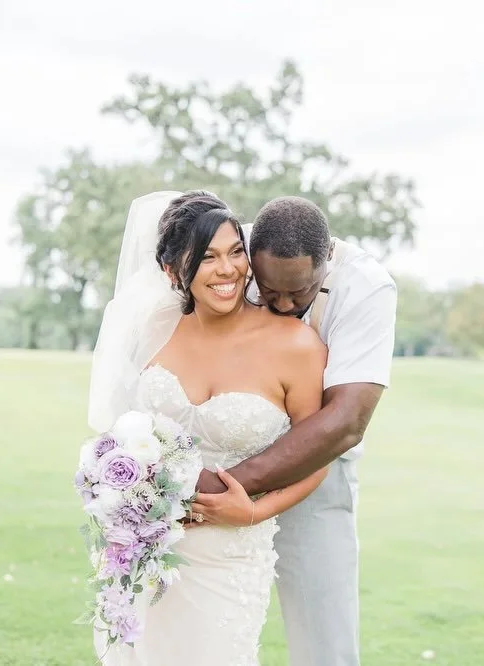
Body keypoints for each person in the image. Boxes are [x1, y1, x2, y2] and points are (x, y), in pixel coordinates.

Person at [86, 190, 329, 665]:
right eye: (207, 258)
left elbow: (317, 455)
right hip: (145, 546)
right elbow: (120, 434)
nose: (228, 271)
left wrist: (255, 512)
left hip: (232, 553)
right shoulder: (151, 333)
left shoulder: (297, 346)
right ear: (173, 271)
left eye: (235, 252)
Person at [195, 196, 398, 666]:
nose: (283, 304)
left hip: (315, 470)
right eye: (268, 289)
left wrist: (223, 488)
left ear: (326, 261)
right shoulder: (230, 253)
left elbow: (346, 422)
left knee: (324, 639)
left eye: (300, 293)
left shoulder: (365, 285)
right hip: (218, 454)